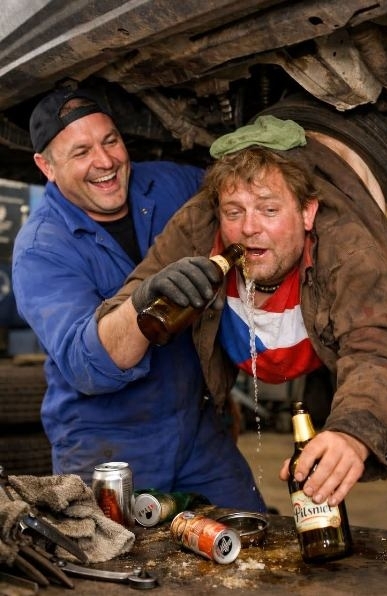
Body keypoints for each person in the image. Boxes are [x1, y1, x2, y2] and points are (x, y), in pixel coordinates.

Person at [96, 114, 387, 508]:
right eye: (234, 212)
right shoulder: (198, 227)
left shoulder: (349, 249)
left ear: (307, 212)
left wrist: (354, 433)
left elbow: (378, 350)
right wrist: (141, 301)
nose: (249, 228)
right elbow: (113, 338)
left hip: (366, 140)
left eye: (269, 210)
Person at [12, 85, 266, 512]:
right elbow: (86, 365)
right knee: (115, 552)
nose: (105, 161)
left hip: (197, 429)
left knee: (249, 535)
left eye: (110, 140)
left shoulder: (168, 184)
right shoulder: (41, 249)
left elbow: (242, 194)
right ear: (46, 166)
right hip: (106, 444)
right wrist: (142, 302)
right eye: (81, 152)